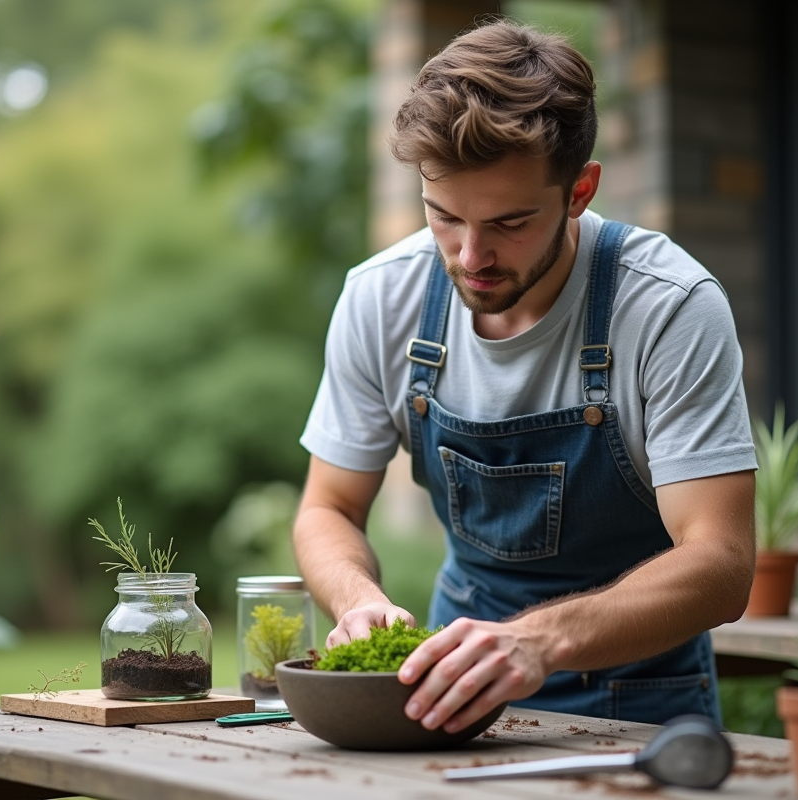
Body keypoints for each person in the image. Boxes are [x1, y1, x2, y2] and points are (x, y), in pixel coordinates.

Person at [293, 18, 757, 735]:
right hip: (448, 703)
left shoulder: (668, 307)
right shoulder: (382, 297)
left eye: (509, 223)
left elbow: (722, 563)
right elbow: (327, 508)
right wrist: (357, 600)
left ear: (579, 190)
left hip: (641, 710)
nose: (471, 254)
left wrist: (538, 642)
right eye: (443, 216)